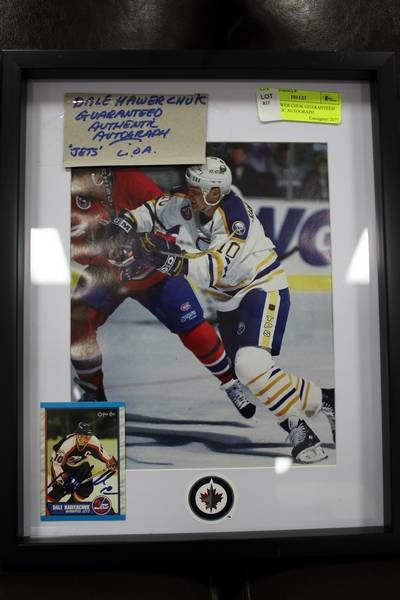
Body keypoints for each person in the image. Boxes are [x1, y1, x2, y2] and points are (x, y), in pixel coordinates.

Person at [107, 157, 336, 463]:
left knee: (251, 365)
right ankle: (327, 399)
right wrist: (127, 222)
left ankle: (300, 430)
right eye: (189, 187)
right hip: (228, 300)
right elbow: (156, 211)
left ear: (215, 193)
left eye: (196, 190)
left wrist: (165, 258)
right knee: (252, 374)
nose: (189, 194)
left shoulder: (234, 220)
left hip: (261, 288)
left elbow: (212, 270)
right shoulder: (191, 201)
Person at [71, 167, 255, 418]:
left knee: (193, 328)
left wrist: (147, 248)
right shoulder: (70, 200)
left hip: (153, 268)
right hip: (107, 273)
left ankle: (229, 381)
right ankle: (93, 392)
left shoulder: (130, 180)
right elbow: (78, 252)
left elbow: (169, 216)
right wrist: (104, 253)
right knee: (77, 322)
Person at [47, 422, 118, 503]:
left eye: (89, 437)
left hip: (79, 463)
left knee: (87, 488)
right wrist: (59, 481)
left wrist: (110, 461)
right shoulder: (67, 445)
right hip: (61, 465)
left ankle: (71, 506)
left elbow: (101, 453)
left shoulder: (93, 441)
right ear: (78, 435)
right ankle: (48, 506)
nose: (87, 440)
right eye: (85, 437)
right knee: (60, 488)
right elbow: (56, 464)